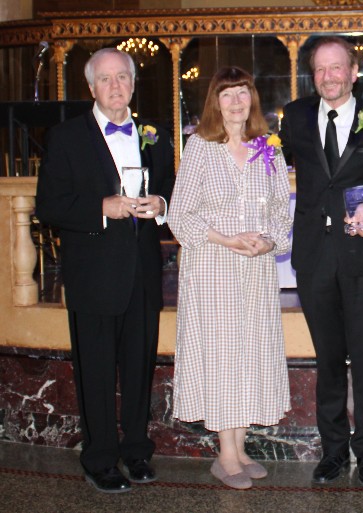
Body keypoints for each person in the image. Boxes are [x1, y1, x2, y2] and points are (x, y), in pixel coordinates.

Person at [35, 47, 174, 493]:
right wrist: (102, 207)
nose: (116, 87)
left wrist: (162, 205)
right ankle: (99, 458)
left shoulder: (155, 134)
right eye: (106, 79)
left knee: (139, 367)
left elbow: (172, 190)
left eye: (123, 78)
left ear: (133, 83)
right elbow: (49, 206)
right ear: (91, 87)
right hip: (93, 273)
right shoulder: (66, 137)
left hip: (143, 273)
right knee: (94, 369)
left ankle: (136, 450)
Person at [279, 36, 363, 487]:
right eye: (320, 69)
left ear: (354, 72)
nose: (328, 76)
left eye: (337, 68)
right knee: (328, 358)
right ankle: (332, 452)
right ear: (313, 75)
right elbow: (274, 169)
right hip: (314, 256)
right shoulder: (293, 117)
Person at [168, 67, 293, 490]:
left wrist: (268, 241)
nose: (236, 102)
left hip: (255, 269)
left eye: (243, 93)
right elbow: (180, 214)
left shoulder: (269, 149)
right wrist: (226, 238)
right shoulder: (201, 147)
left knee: (249, 355)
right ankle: (225, 455)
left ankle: (239, 450)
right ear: (214, 102)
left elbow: (281, 211)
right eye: (227, 95)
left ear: (252, 99)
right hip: (213, 267)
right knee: (223, 357)